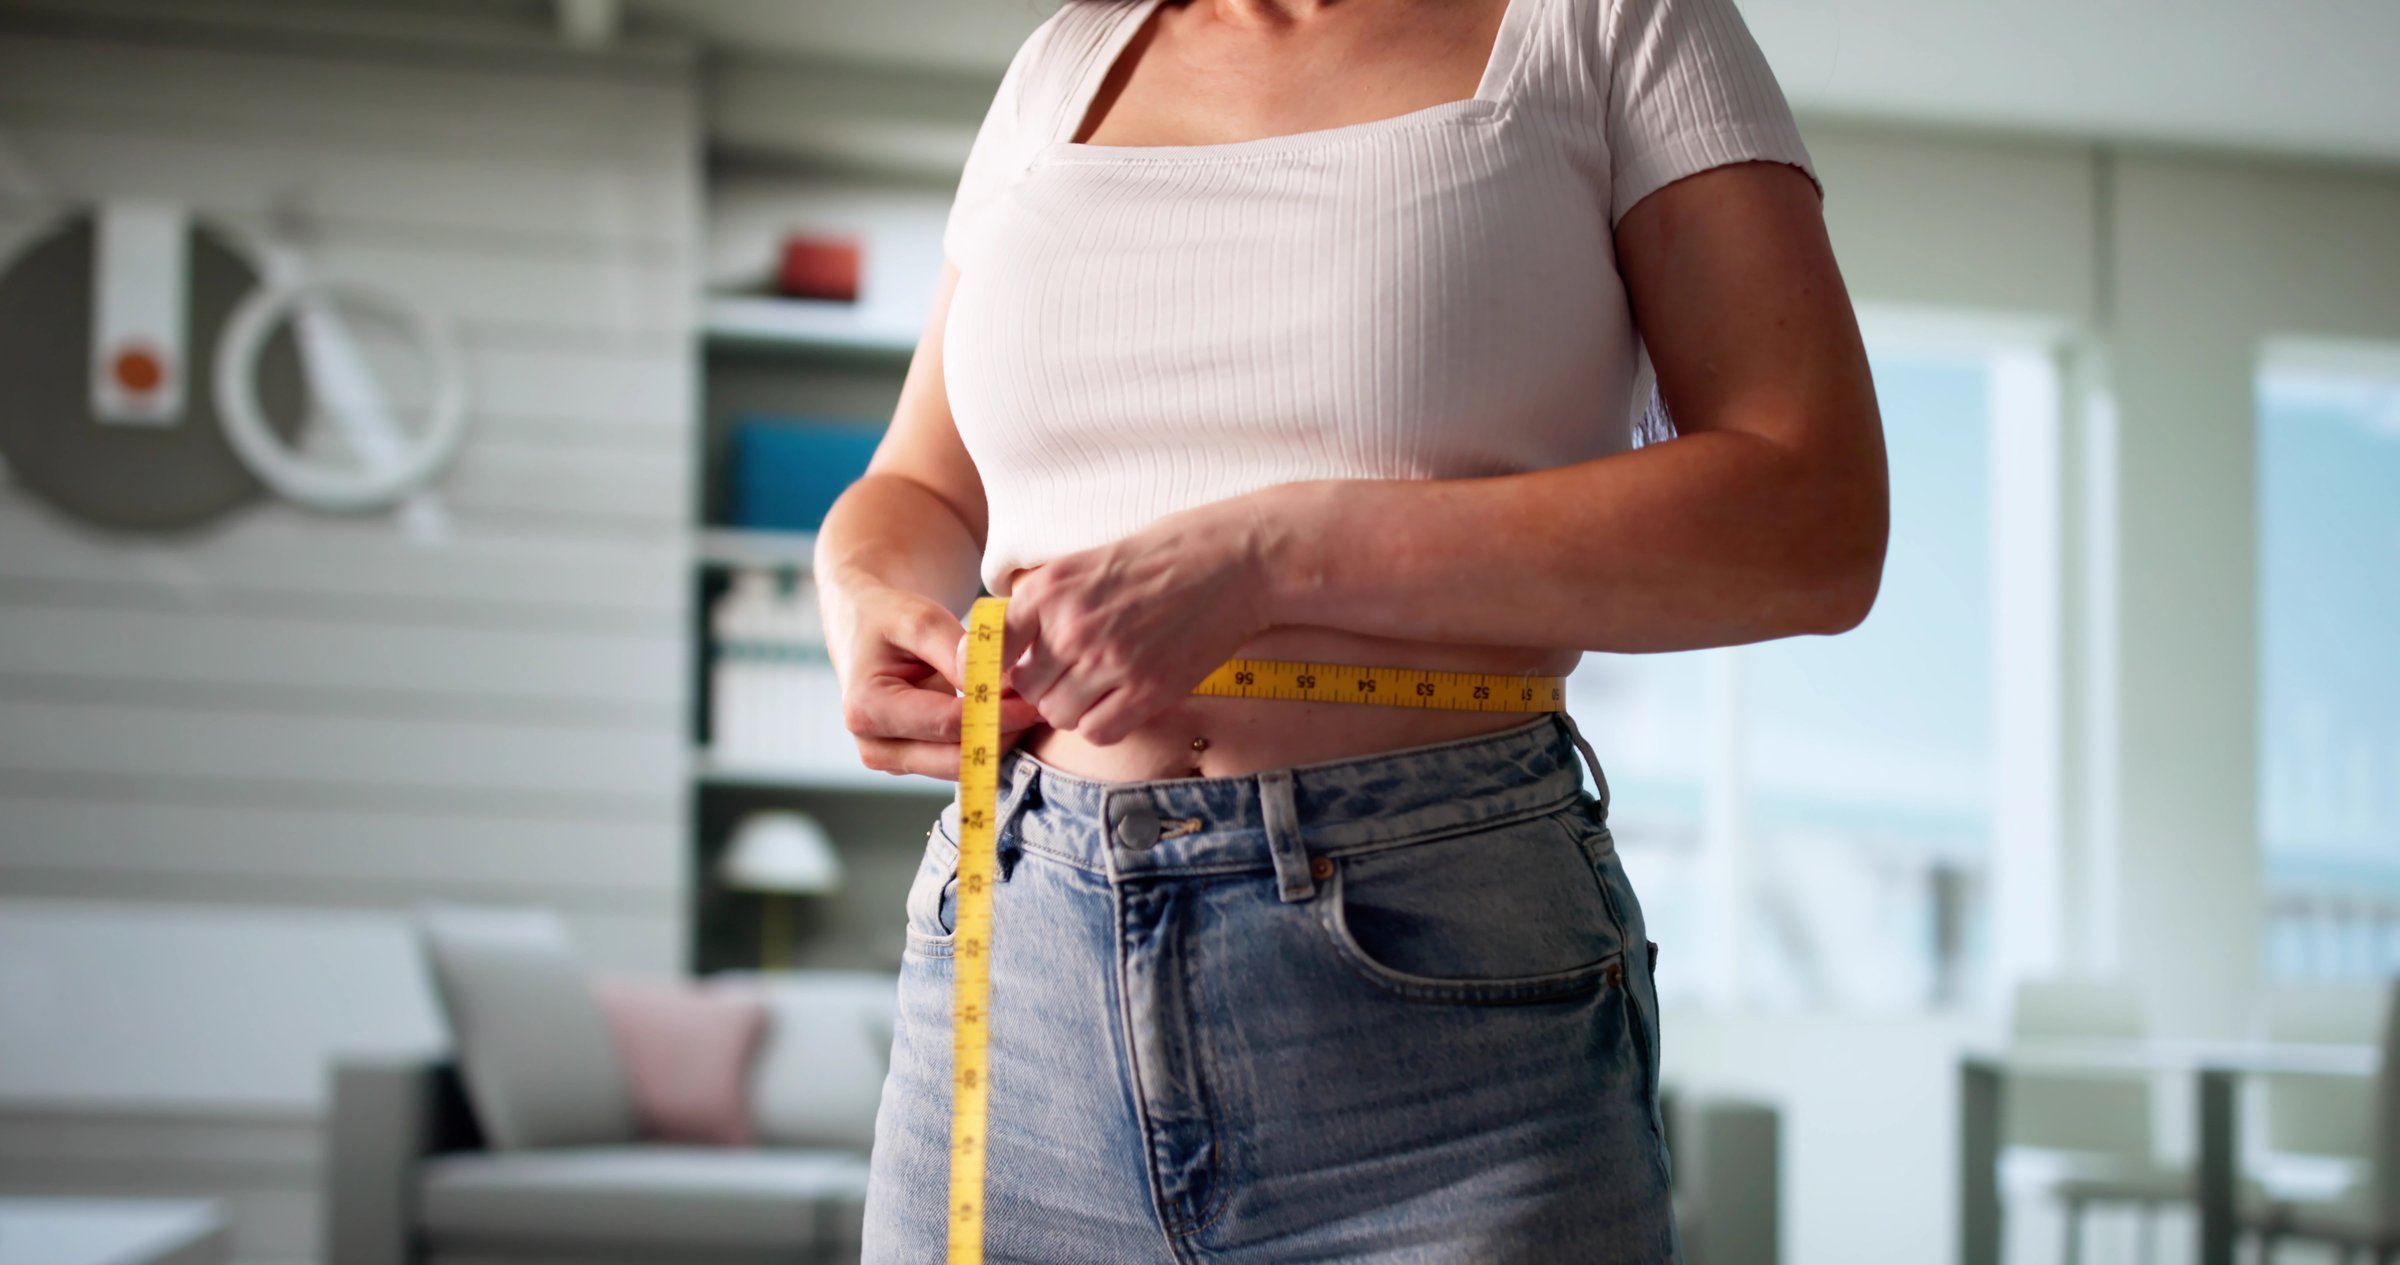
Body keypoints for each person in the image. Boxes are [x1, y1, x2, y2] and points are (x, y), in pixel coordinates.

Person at [817, 0, 1887, 1257]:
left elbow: (1812, 522)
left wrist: (1273, 553)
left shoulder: (1613, 25)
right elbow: (923, 487)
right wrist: (866, 598)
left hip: (1437, 996)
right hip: (1019, 947)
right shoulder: (1065, 64)